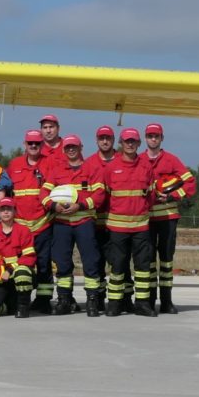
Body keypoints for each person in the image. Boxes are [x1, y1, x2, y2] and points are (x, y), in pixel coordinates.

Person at [43, 136, 106, 316]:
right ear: (64, 149)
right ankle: (64, 300)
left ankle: (92, 301)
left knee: (91, 261)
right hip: (62, 223)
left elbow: (100, 195)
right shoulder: (56, 171)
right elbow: (44, 192)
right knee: (62, 262)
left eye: (74, 147)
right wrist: (53, 206)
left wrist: (81, 205)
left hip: (84, 222)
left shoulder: (93, 169)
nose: (71, 150)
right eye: (68, 147)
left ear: (81, 147)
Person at [100, 127, 158, 317]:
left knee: (142, 267)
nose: (130, 144)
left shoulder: (146, 167)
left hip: (141, 227)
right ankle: (115, 303)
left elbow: (150, 195)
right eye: (127, 141)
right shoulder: (110, 168)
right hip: (117, 227)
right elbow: (106, 197)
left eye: (133, 141)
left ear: (139, 143)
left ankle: (142, 303)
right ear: (121, 144)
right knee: (117, 267)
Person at [143, 123, 197, 314]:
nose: (153, 139)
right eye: (150, 136)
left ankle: (166, 301)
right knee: (147, 261)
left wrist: (173, 195)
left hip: (168, 218)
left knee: (166, 261)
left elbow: (190, 183)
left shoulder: (172, 160)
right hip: (146, 220)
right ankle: (148, 300)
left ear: (162, 138)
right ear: (145, 138)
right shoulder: (140, 160)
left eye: (156, 136)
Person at [4, 128, 55, 312]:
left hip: (42, 224)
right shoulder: (14, 164)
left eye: (37, 143)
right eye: (30, 143)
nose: (34, 146)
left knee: (43, 263)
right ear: (24, 144)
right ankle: (18, 297)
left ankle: (43, 299)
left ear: (42, 145)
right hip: (20, 227)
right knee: (18, 263)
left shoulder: (50, 163)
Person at [0, 198, 37, 318]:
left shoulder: (23, 231)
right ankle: (5, 305)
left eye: (9, 209)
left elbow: (29, 257)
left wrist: (9, 270)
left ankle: (23, 306)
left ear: (14, 212)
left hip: (16, 278)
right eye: (2, 209)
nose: (5, 212)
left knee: (23, 271)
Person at [85, 125, 124, 307]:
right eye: (102, 138)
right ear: (97, 140)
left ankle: (122, 300)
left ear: (113, 140)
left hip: (119, 223)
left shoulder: (124, 160)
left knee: (119, 263)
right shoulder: (90, 163)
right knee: (97, 262)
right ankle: (99, 299)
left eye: (108, 138)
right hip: (96, 222)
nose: (105, 141)